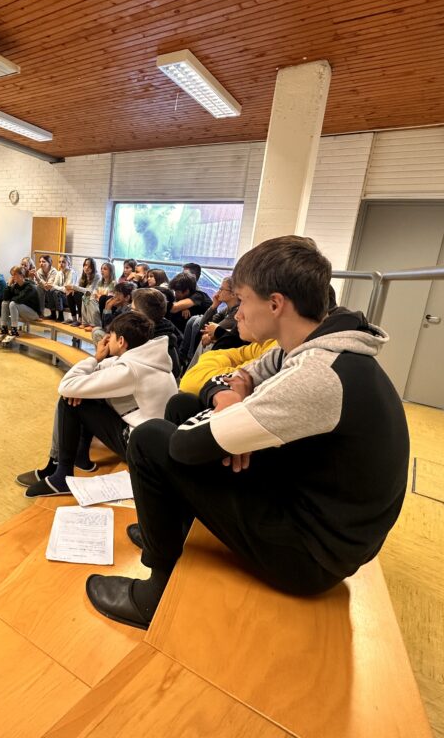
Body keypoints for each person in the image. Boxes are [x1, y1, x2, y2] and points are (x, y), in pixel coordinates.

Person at [84, 236, 410, 631]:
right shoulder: (313, 341)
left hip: (312, 556)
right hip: (307, 501)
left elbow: (185, 446)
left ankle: (155, 594)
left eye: (242, 300)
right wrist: (230, 397)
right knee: (183, 406)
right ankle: (172, 525)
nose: (236, 312)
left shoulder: (318, 375)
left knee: (151, 439)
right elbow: (235, 376)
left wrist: (228, 417)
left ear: (275, 304)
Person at [23, 311, 178, 498]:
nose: (106, 339)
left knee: (69, 401)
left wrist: (96, 357)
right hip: (153, 443)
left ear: (121, 341)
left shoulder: (130, 370)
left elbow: (66, 386)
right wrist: (90, 376)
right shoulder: (149, 359)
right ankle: (79, 458)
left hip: (139, 448)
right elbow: (103, 370)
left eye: (110, 335)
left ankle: (61, 475)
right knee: (85, 394)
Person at [131, 287, 181, 375]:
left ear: (142, 314)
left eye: (133, 309)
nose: (129, 313)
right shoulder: (166, 329)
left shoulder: (148, 342)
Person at [0, 265, 42, 344]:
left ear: (21, 275)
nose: (12, 277)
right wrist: (9, 285)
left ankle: (14, 330)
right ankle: (4, 328)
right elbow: (5, 298)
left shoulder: (30, 287)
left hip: (34, 314)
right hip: (22, 312)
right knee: (4, 303)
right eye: (12, 275)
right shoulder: (15, 286)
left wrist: (11, 299)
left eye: (14, 274)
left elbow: (20, 299)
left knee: (13, 303)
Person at [83, 261, 115, 330]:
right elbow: (94, 292)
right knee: (85, 296)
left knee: (91, 300)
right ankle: (85, 322)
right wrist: (96, 295)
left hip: (104, 304)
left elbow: (108, 296)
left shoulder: (113, 283)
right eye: (101, 269)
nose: (102, 270)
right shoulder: (100, 282)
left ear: (111, 271)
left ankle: (95, 325)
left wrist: (97, 295)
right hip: (97, 300)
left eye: (105, 269)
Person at [66, 257, 99, 327]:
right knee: (70, 293)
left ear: (93, 267)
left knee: (78, 294)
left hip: (91, 296)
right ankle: (74, 319)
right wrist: (73, 289)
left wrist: (74, 287)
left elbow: (90, 290)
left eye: (89, 266)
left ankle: (80, 319)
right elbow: (78, 286)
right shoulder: (83, 276)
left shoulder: (97, 276)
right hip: (85, 295)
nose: (86, 268)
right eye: (85, 265)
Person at [33, 255, 62, 320]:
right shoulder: (39, 271)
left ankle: (43, 313)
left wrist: (39, 280)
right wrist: (41, 283)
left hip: (53, 293)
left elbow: (48, 286)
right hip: (43, 293)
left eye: (43, 262)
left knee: (42, 288)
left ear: (49, 263)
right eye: (40, 262)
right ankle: (40, 313)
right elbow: (38, 284)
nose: (41, 263)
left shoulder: (54, 271)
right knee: (38, 287)